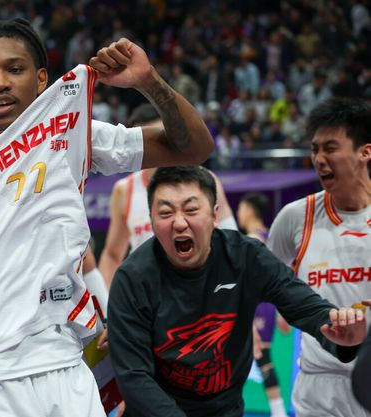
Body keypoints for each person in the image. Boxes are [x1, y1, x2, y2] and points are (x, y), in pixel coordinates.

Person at [0, 17, 214, 417]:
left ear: (42, 79)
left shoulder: (72, 134)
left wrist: (149, 82)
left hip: (65, 365)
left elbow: (194, 148)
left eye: (15, 69)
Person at [107, 165, 367, 417]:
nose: (179, 222)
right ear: (151, 220)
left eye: (191, 209)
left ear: (215, 215)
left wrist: (339, 332)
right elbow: (134, 376)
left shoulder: (246, 256)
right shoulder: (132, 279)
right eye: (165, 213)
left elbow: (300, 303)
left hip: (224, 409)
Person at [267, 97, 371, 417]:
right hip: (318, 387)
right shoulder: (295, 218)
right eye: (315, 150)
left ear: (365, 153)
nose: (319, 159)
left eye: (331, 148)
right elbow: (264, 279)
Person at [98, 104, 238, 287]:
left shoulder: (204, 181)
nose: (157, 148)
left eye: (162, 139)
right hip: (147, 294)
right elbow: (112, 255)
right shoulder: (125, 190)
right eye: (148, 141)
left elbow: (232, 243)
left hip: (198, 290)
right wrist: (105, 300)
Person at [236, 192, 288, 417]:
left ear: (249, 210)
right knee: (262, 358)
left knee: (257, 356)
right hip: (267, 305)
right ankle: (278, 410)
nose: (238, 214)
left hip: (255, 305)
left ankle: (278, 411)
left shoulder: (251, 240)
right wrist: (282, 311)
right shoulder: (270, 236)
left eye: (240, 209)